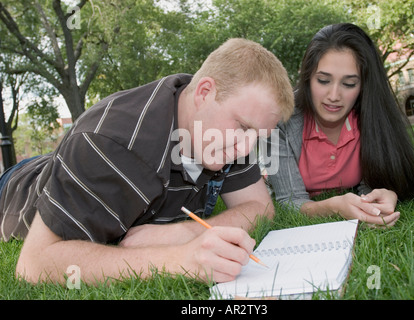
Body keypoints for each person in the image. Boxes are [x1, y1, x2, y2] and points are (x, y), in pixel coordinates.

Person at [0, 38, 294, 284]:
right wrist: (178, 259)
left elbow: (259, 207)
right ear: (205, 92)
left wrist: (182, 233)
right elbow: (34, 264)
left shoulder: (228, 128)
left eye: (258, 136)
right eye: (243, 127)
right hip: (19, 185)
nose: (247, 148)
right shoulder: (109, 143)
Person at [266, 23, 414, 226]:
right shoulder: (276, 121)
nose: (334, 96)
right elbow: (288, 201)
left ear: (363, 86)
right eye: (323, 80)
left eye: (349, 84)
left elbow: (373, 184)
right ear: (308, 78)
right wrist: (333, 207)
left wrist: (381, 195)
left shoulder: (370, 117)